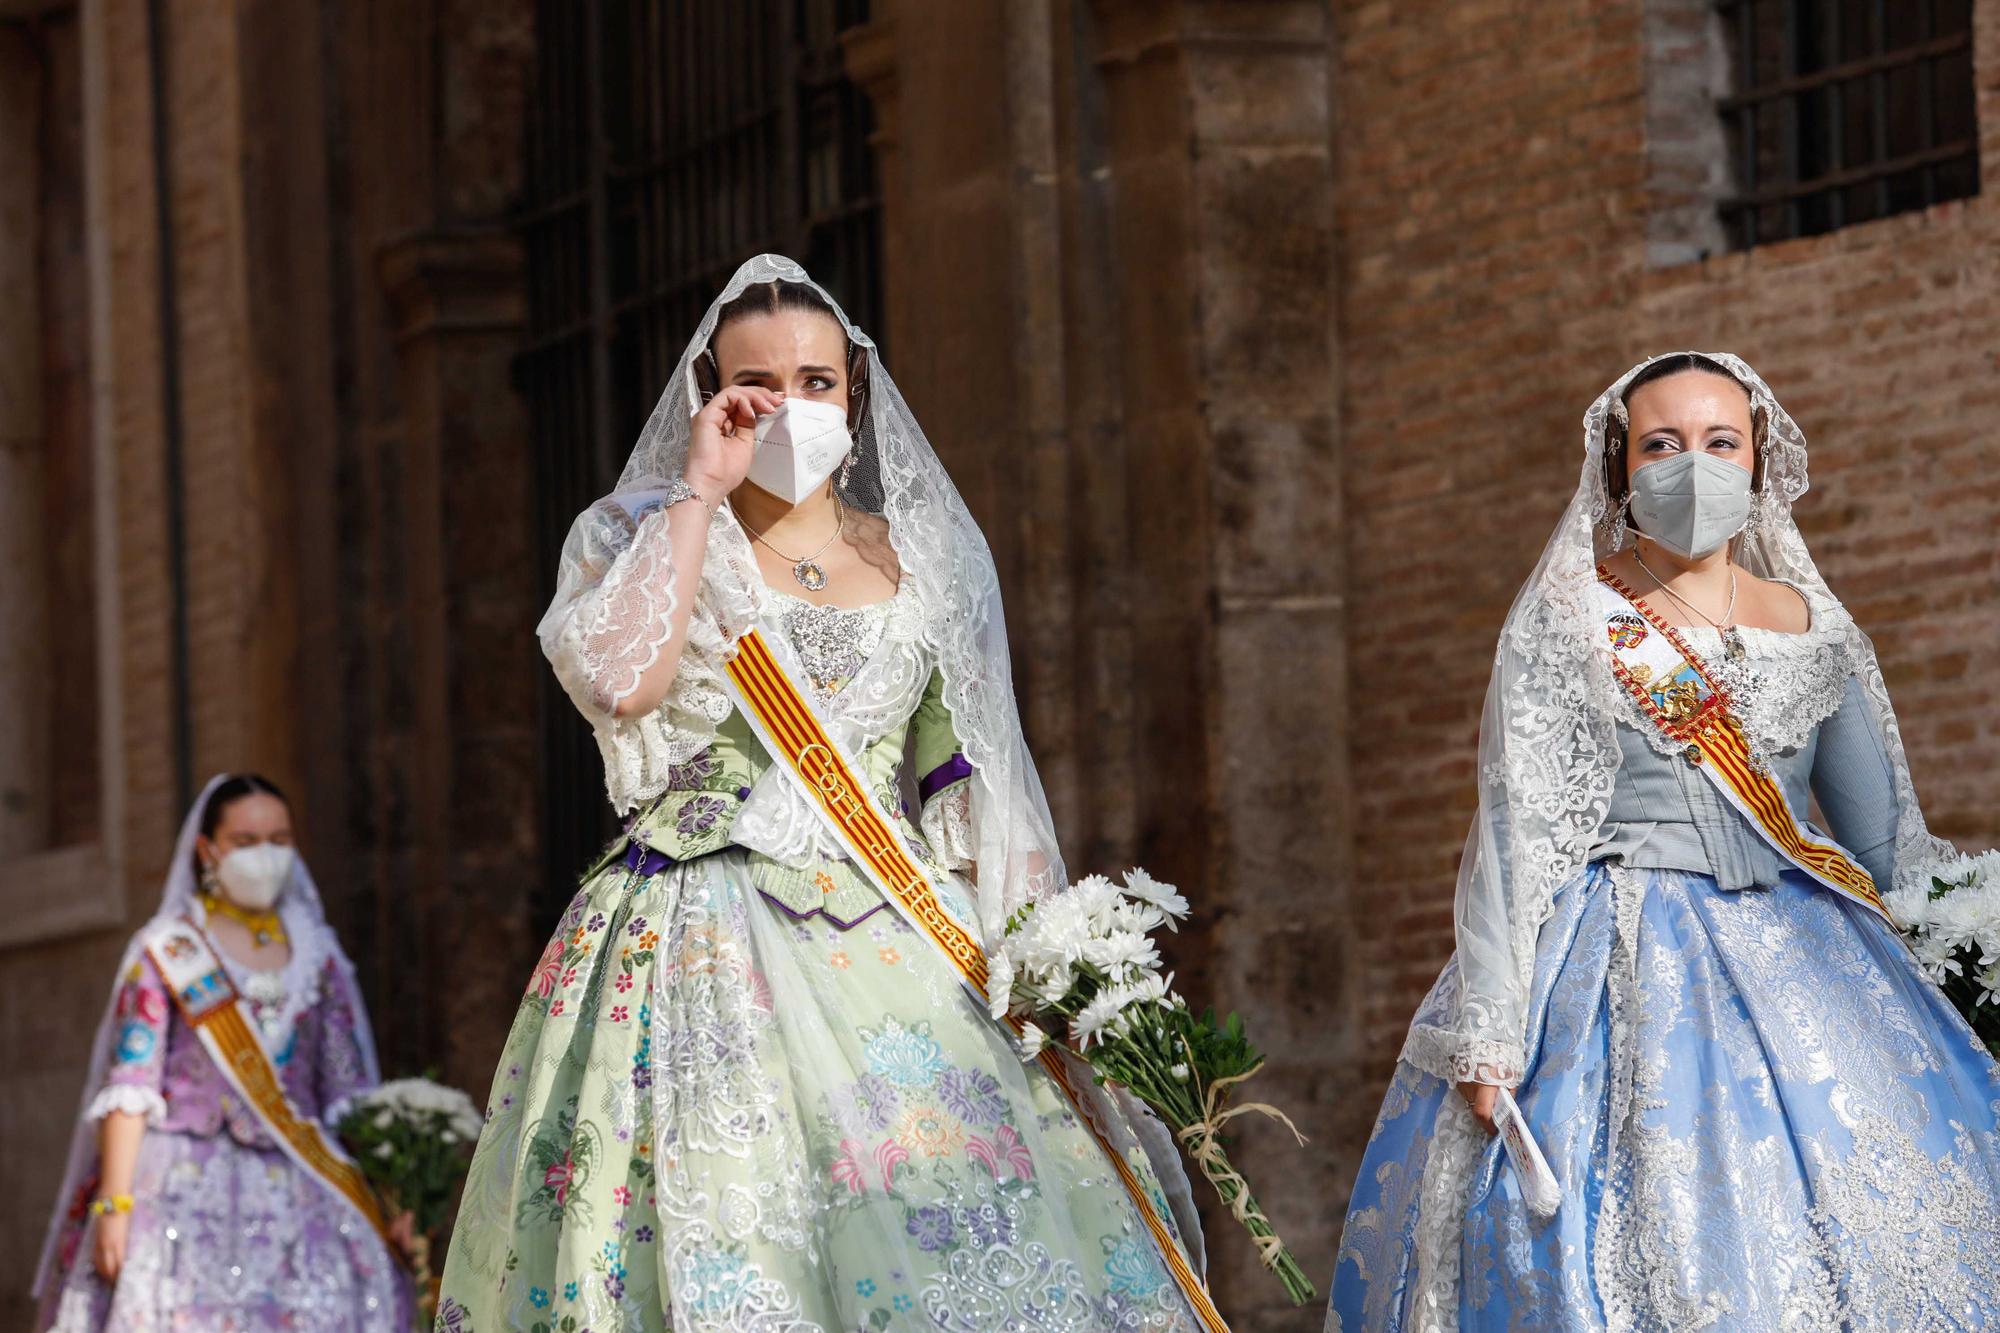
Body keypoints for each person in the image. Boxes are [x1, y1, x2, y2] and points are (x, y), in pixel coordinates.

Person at [437, 255, 1221, 1331]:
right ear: (710, 394)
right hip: (696, 927)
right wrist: (697, 494)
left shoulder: (929, 560)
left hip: (898, 932)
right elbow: (623, 684)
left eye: (815, 381)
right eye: (754, 385)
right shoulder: (638, 532)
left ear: (853, 389)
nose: (788, 407)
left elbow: (971, 773)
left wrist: (1054, 961)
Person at [1325, 353, 2000, 1331]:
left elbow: (1887, 847)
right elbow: (1516, 833)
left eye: (1719, 441)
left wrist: (1966, 958)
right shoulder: (1577, 618)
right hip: (1616, 957)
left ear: (1757, 459)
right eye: (1662, 444)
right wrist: (1491, 1028)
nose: (1694, 465)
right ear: (1619, 468)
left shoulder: (1815, 628)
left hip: (1814, 967)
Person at [35, 773, 410, 1331]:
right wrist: (114, 1205)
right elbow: (132, 1083)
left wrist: (392, 1195)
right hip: (179, 1191)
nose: (265, 855)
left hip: (303, 1192)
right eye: (245, 841)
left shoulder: (317, 953)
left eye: (279, 841)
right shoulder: (167, 949)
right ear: (208, 849)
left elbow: (348, 1093)